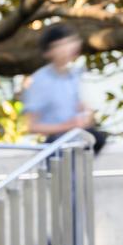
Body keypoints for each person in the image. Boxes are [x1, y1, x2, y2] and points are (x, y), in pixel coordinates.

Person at [22, 23, 106, 152]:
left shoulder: (75, 74)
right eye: (62, 45)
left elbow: (85, 111)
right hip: (57, 144)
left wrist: (86, 115)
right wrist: (67, 126)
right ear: (49, 52)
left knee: (99, 139)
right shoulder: (39, 80)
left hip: (80, 140)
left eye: (71, 43)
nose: (68, 49)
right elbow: (31, 126)